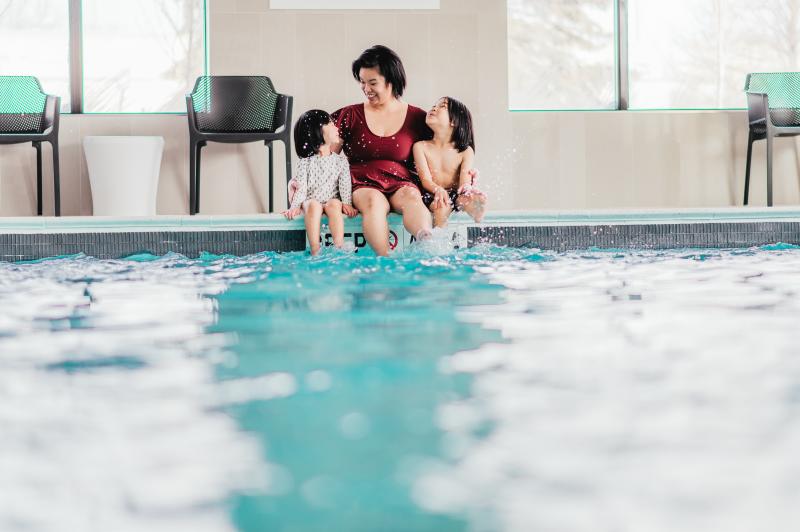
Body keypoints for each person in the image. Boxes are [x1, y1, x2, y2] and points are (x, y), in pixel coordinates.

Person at [332, 45, 434, 256]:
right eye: (362, 82)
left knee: (411, 197)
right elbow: (326, 157)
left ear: (391, 81)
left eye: (372, 82)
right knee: (374, 202)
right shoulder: (349, 115)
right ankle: (385, 259)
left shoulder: (417, 118)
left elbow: (439, 154)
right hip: (362, 183)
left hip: (401, 182)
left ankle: (427, 240)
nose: (366, 88)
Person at [283, 109, 358, 256]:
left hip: (331, 199)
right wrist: (295, 206)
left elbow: (344, 185)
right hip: (311, 199)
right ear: (317, 131)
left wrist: (347, 203)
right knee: (313, 205)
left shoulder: (340, 162)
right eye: (330, 123)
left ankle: (339, 246)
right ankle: (315, 249)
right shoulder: (305, 162)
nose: (336, 128)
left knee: (335, 204)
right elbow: (302, 188)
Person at [413, 97, 487, 228]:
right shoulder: (420, 147)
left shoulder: (465, 151)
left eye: (442, 106)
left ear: (454, 121)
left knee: (469, 199)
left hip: (454, 193)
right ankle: (439, 244)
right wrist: (438, 190)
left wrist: (469, 189)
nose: (434, 108)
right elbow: (425, 180)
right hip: (430, 193)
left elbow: (463, 185)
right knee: (442, 206)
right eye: (434, 105)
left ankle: (477, 212)